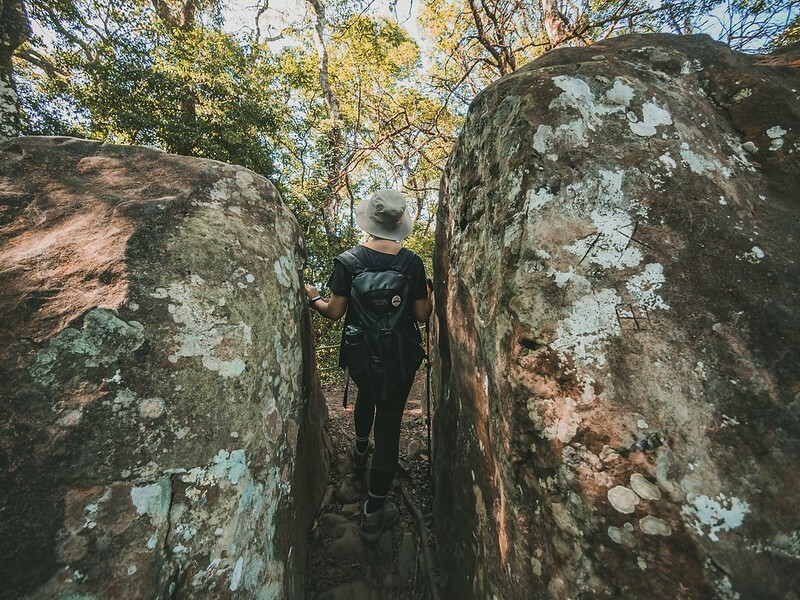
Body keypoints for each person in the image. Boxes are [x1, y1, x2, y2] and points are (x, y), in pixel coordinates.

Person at [305, 189, 432, 542]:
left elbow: (335, 311)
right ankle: (374, 512)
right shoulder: (411, 263)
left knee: (366, 397)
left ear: (371, 222)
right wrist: (429, 292)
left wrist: (314, 296)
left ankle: (359, 452)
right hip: (401, 356)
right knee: (390, 427)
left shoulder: (347, 261)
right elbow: (422, 315)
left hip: (362, 355)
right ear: (398, 224)